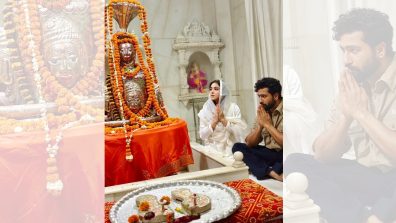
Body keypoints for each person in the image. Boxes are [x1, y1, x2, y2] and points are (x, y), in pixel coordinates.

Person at [285, 8, 396, 223]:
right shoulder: (353, 82)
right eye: (343, 50)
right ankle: (364, 217)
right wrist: (346, 117)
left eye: (353, 50)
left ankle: (380, 210)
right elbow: (323, 156)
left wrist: (361, 113)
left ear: (380, 50)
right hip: (370, 177)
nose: (346, 60)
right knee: (296, 162)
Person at [232, 77, 283, 181]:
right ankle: (270, 171)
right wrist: (260, 126)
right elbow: (249, 143)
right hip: (270, 153)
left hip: (285, 153)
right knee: (238, 147)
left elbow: (287, 143)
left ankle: (266, 168)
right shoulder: (264, 110)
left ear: (276, 96)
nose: (260, 101)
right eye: (259, 96)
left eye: (264, 96)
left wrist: (268, 125)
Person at [198, 79, 247, 158]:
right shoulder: (205, 111)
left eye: (216, 89)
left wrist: (223, 120)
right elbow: (202, 135)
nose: (212, 91)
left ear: (223, 92)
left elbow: (239, 133)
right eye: (210, 89)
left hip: (232, 147)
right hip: (212, 148)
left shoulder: (233, 108)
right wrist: (213, 123)